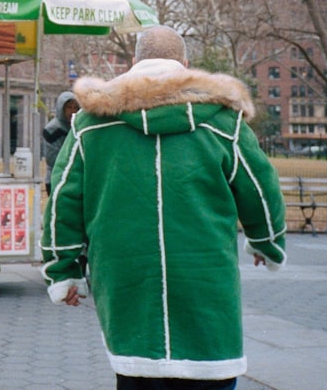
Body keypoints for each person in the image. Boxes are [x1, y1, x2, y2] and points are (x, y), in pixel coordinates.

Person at [41, 25, 286, 389]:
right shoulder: (222, 121)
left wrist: (64, 271)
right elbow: (260, 188)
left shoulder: (91, 124)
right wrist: (266, 242)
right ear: (185, 65)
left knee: (137, 372)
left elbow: (63, 197)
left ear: (134, 62)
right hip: (205, 282)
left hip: (126, 282)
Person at [41, 90, 80, 195]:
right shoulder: (52, 129)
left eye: (76, 108)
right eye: (69, 107)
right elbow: (52, 159)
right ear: (61, 108)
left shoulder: (77, 126)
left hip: (74, 179)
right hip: (56, 178)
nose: (72, 111)